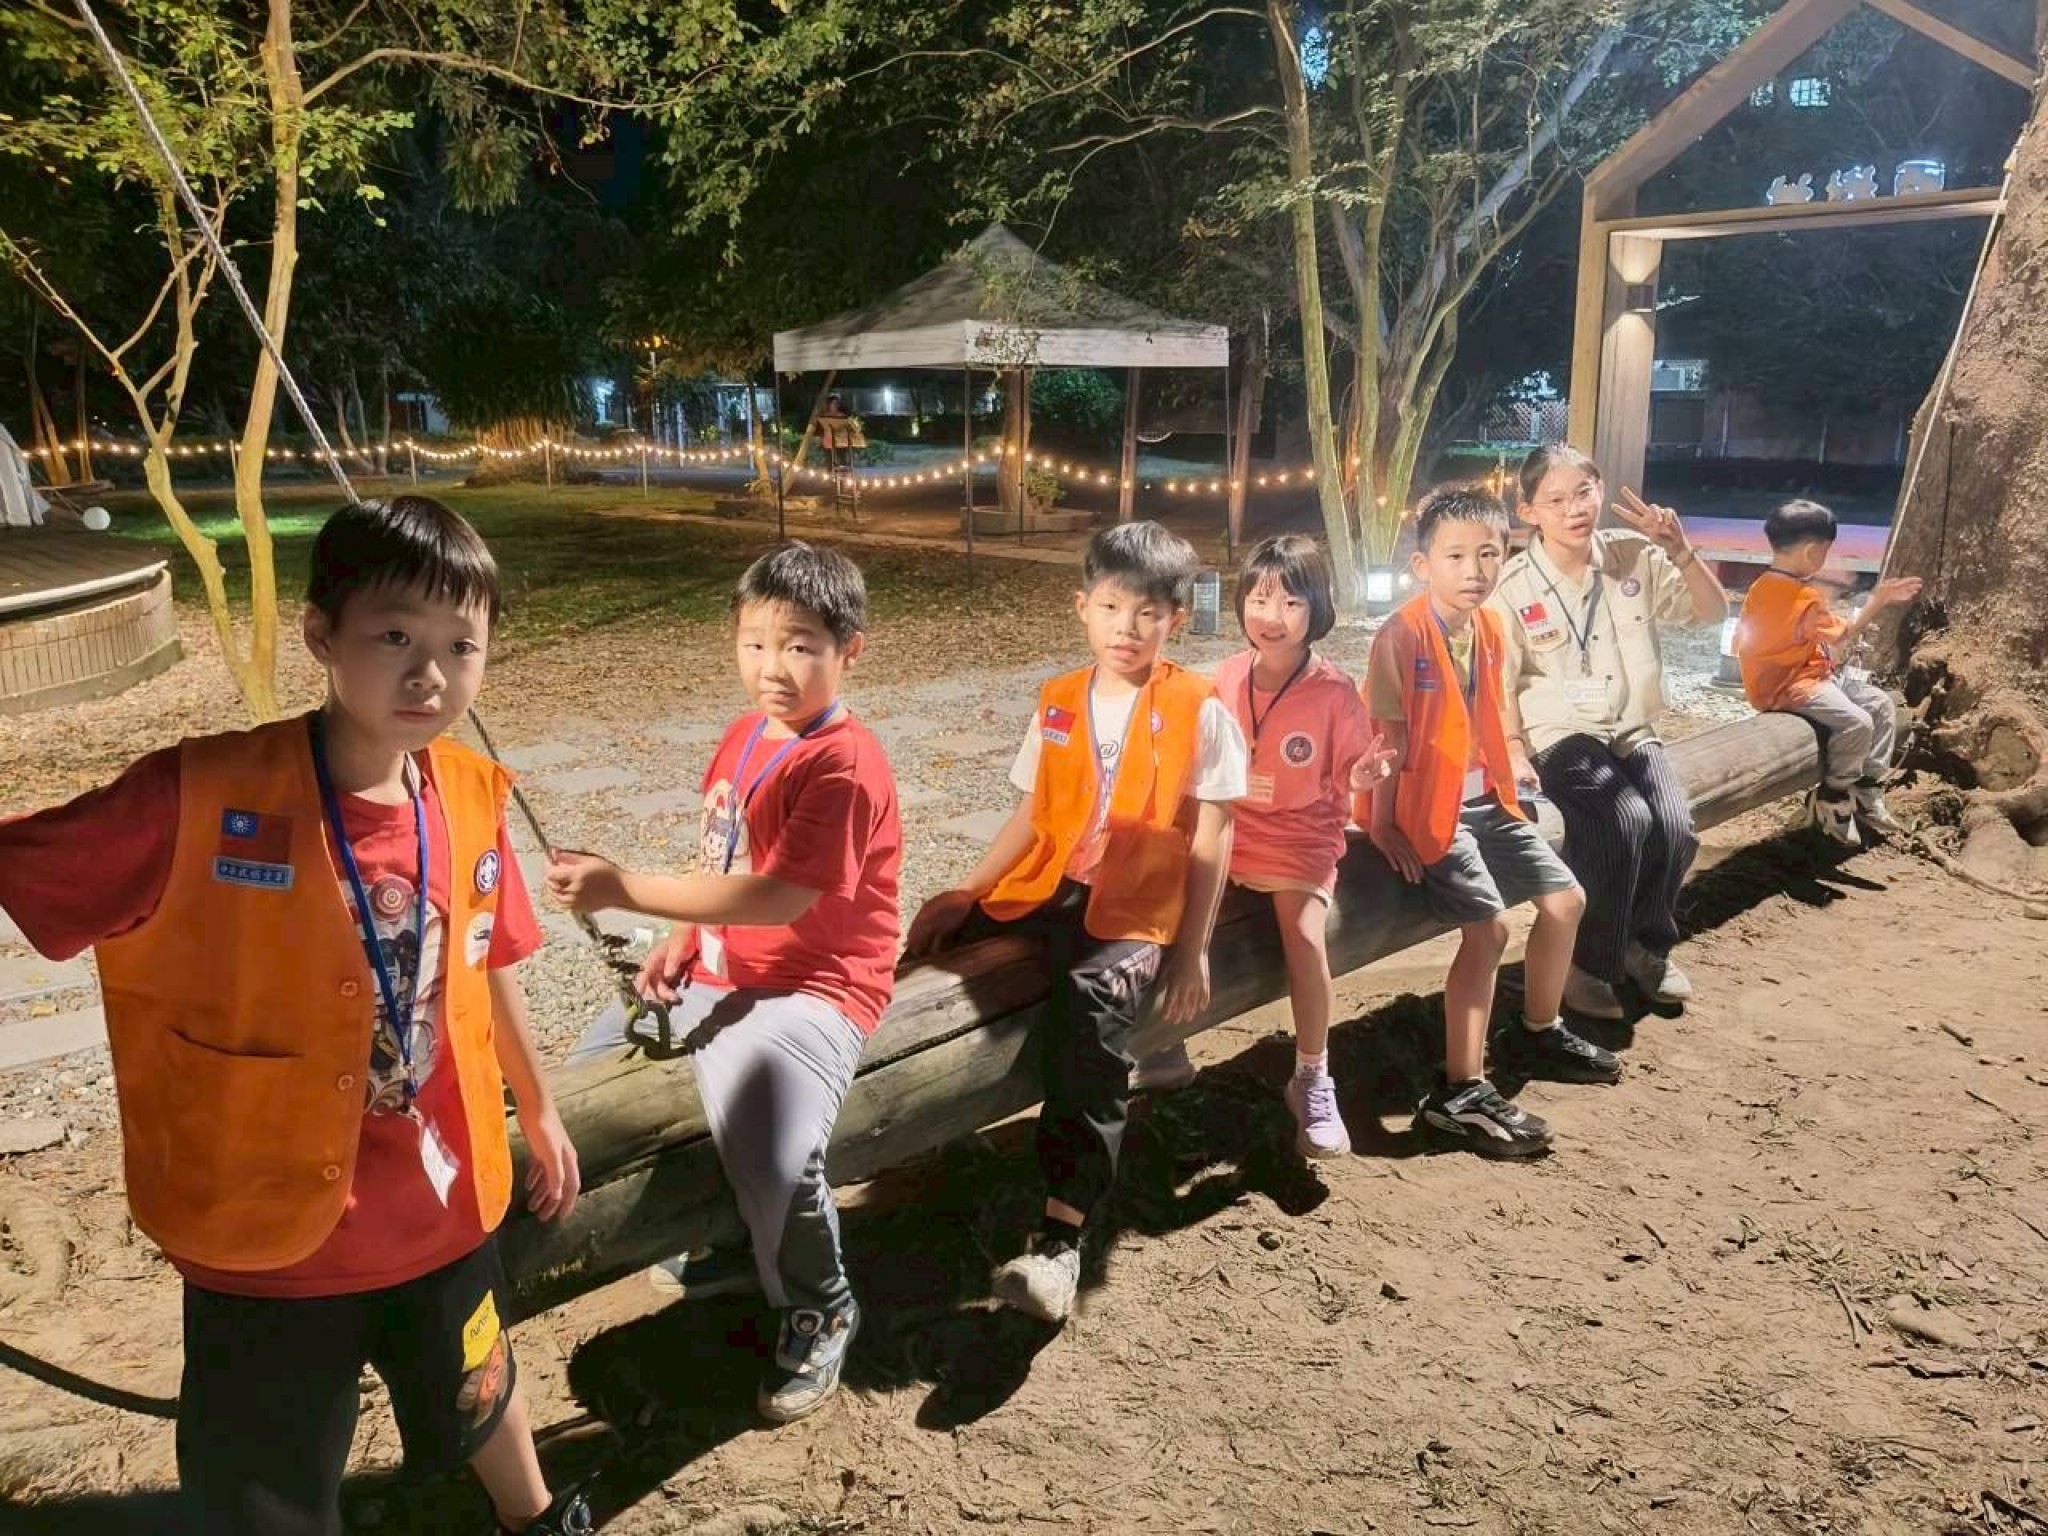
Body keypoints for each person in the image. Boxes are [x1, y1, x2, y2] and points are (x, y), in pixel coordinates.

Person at [0, 496, 588, 1536]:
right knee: (266, 1486)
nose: (430, 674)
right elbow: (29, 870)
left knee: (478, 1382)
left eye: (461, 645)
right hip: (262, 1234)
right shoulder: (193, 796)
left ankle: (535, 1518)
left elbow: (484, 960)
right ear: (321, 635)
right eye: (394, 636)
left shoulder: (469, 794)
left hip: (441, 1205)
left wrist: (535, 1109)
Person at [547, 541, 901, 1423]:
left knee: (777, 1146)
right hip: (722, 965)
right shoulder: (745, 736)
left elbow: (780, 898)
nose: (773, 667)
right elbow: (724, 855)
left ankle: (821, 1303)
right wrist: (684, 936)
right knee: (590, 1077)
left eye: (801, 646)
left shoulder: (843, 763)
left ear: (850, 650)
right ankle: (725, 1243)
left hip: (818, 985)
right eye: (755, 643)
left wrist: (624, 888)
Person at [904, 521, 1246, 1323]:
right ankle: (921, 1128)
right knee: (935, 951)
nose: (1127, 628)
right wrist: (967, 890)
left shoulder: (1197, 706)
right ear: (1082, 606)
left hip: (1134, 904)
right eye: (1112, 607)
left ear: (1175, 619)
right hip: (1048, 886)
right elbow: (1033, 812)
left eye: (1148, 613)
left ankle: (1062, 1238)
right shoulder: (1060, 699)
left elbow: (1214, 834)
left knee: (1092, 1019)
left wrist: (1191, 951)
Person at [1361, 484, 1618, 1160]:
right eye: (1455, 556)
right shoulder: (1401, 635)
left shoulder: (1489, 627)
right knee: (1490, 929)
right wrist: (1381, 825)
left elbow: (1492, 712)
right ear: (1423, 565)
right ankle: (1460, 1091)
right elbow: (1385, 739)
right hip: (1431, 811)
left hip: (1487, 801)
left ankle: (1537, 1029)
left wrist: (1514, 758)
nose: (1473, 570)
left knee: (1566, 900)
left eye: (1488, 554)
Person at [1133, 535, 1393, 1157]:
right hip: (1229, 825)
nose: (1271, 617)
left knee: (1303, 935)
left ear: (1318, 607)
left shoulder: (1333, 691)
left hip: (1300, 835)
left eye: (1290, 603)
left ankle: (1312, 1075)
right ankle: (1161, 1046)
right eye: (1258, 599)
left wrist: (1361, 777)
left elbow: (1350, 769)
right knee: (1157, 903)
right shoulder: (1225, 676)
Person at [1489, 445, 1729, 1021]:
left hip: (1630, 725)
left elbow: (1712, 612)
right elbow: (1499, 683)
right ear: (1529, 511)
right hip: (1559, 732)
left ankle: (1643, 946)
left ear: (1600, 490)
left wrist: (1681, 551)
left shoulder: (1634, 555)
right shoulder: (1512, 586)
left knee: (1674, 826)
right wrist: (1514, 750)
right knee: (1624, 821)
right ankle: (1588, 964)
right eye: (1555, 500)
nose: (1574, 509)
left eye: (1584, 492)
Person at [1735, 499, 1921, 845]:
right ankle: (1834, 795)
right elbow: (1843, 634)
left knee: (1880, 703)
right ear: (1812, 551)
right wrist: (1878, 600)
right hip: (1788, 686)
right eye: (1826, 551)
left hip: (1807, 675)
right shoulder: (1803, 597)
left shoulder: (1763, 586)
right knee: (1858, 722)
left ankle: (1868, 788)